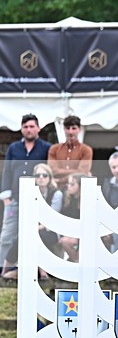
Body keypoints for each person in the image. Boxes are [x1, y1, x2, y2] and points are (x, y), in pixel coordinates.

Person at [0, 114, 52, 276]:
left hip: (37, 200)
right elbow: (7, 172)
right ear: (21, 129)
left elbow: (49, 172)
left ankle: (38, 272)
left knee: (34, 235)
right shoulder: (14, 148)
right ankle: (3, 271)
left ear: (38, 128)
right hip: (14, 199)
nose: (29, 130)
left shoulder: (46, 148)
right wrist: (6, 199)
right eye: (25, 127)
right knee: (7, 236)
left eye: (31, 126)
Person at [2, 163, 62, 279]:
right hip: (32, 228)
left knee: (35, 236)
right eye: (37, 175)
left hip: (51, 230)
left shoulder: (56, 194)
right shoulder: (29, 192)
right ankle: (5, 270)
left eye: (44, 175)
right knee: (18, 239)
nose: (41, 178)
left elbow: (52, 219)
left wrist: (34, 228)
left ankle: (43, 272)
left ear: (49, 177)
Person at [48, 115, 93, 189]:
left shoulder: (86, 150)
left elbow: (82, 173)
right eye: (68, 128)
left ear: (79, 129)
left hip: (77, 190)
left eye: (74, 128)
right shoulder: (54, 149)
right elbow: (52, 171)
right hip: (57, 189)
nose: (70, 132)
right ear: (64, 129)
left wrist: (59, 180)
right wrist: (75, 171)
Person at [59, 173, 88, 262]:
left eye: (72, 184)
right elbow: (64, 218)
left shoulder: (87, 201)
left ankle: (77, 263)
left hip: (86, 233)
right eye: (68, 183)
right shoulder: (67, 199)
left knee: (84, 243)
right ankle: (76, 262)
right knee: (64, 241)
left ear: (81, 186)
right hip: (70, 232)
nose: (68, 186)